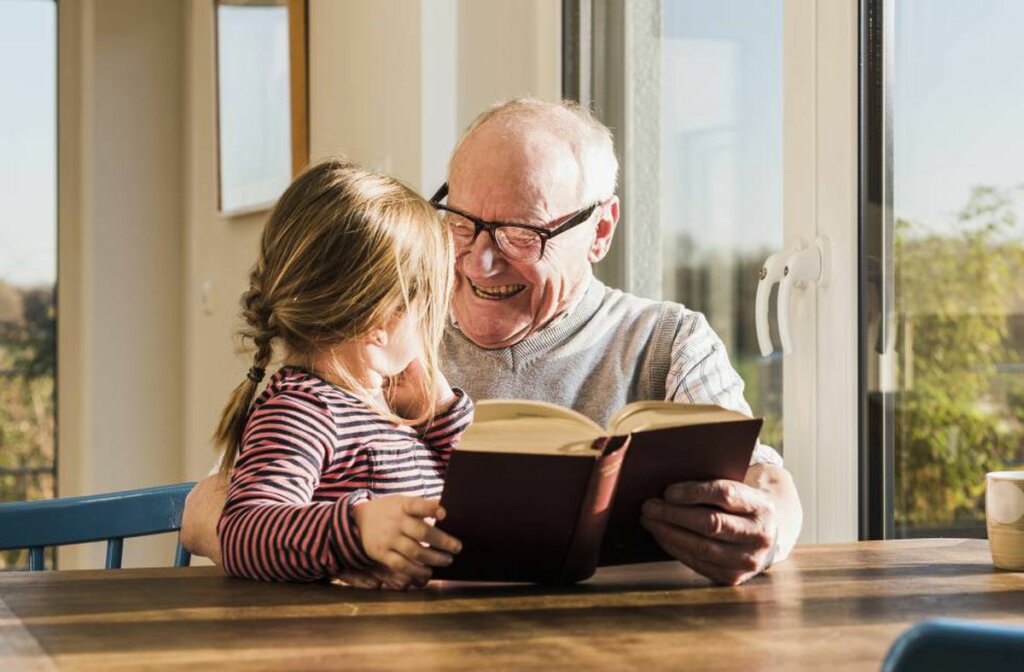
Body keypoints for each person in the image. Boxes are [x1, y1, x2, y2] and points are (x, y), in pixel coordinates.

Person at [183, 99, 802, 587]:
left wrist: (768, 528)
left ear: (600, 230)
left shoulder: (667, 341)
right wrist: (341, 543)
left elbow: (765, 483)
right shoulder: (390, 323)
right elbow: (217, 509)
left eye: (518, 233)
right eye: (462, 222)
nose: (480, 262)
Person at [212, 160, 472, 588]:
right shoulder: (302, 409)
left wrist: (442, 413)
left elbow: (471, 505)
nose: (433, 326)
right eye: (427, 311)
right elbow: (243, 532)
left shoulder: (388, 407)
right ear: (380, 324)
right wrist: (356, 529)